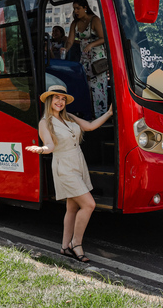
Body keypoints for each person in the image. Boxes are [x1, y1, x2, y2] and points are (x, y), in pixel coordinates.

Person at [26, 85, 113, 263]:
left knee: (72, 207)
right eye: (56, 98)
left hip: (78, 162)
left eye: (63, 99)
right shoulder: (45, 122)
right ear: (50, 100)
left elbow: (89, 127)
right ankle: (76, 244)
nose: (60, 102)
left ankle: (65, 247)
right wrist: (40, 149)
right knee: (89, 205)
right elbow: (50, 146)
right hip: (64, 166)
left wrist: (109, 114)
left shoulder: (69, 117)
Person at [63, 0, 109, 117]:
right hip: (84, 59)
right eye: (74, 9)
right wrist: (66, 49)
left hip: (97, 60)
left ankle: (100, 116)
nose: (76, 11)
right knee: (85, 87)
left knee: (98, 88)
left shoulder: (94, 20)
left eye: (78, 8)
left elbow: (103, 38)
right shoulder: (75, 23)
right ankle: (87, 114)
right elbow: (70, 40)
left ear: (85, 8)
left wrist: (91, 45)